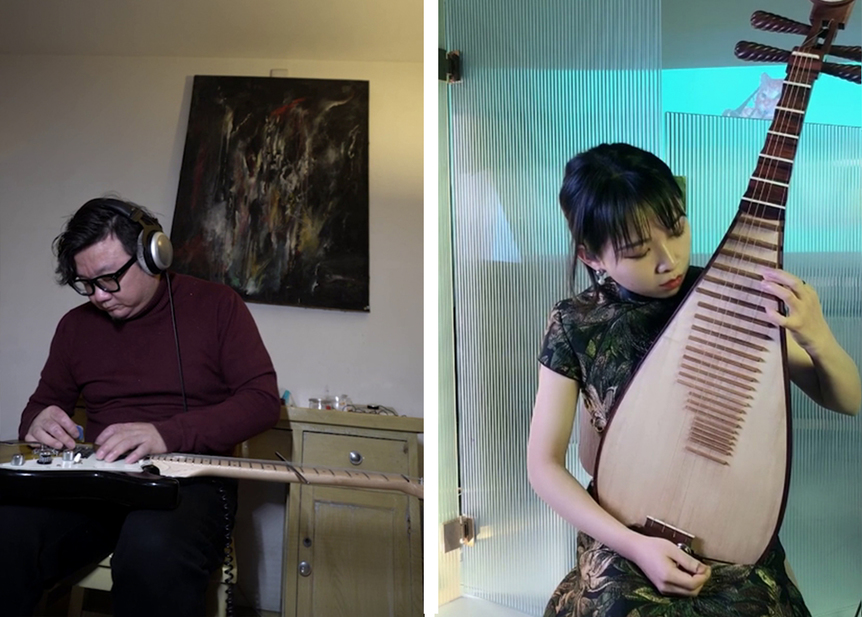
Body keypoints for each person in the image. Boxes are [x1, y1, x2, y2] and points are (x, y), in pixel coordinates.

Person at [527, 143, 861, 615]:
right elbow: (543, 465)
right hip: (626, 530)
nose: (669, 260)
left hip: (734, 534)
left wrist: (817, 335)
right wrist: (635, 546)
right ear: (591, 255)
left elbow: (847, 400)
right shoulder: (574, 323)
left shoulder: (731, 297)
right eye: (639, 251)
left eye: (677, 228)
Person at [0, 197, 282, 617]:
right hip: (97, 487)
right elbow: (40, 407)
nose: (98, 295)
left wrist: (164, 434)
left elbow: (261, 402)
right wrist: (37, 421)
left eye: (109, 278)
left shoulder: (219, 306)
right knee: (6, 531)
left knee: (151, 549)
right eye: (85, 283)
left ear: (153, 256)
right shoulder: (75, 327)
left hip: (189, 483)